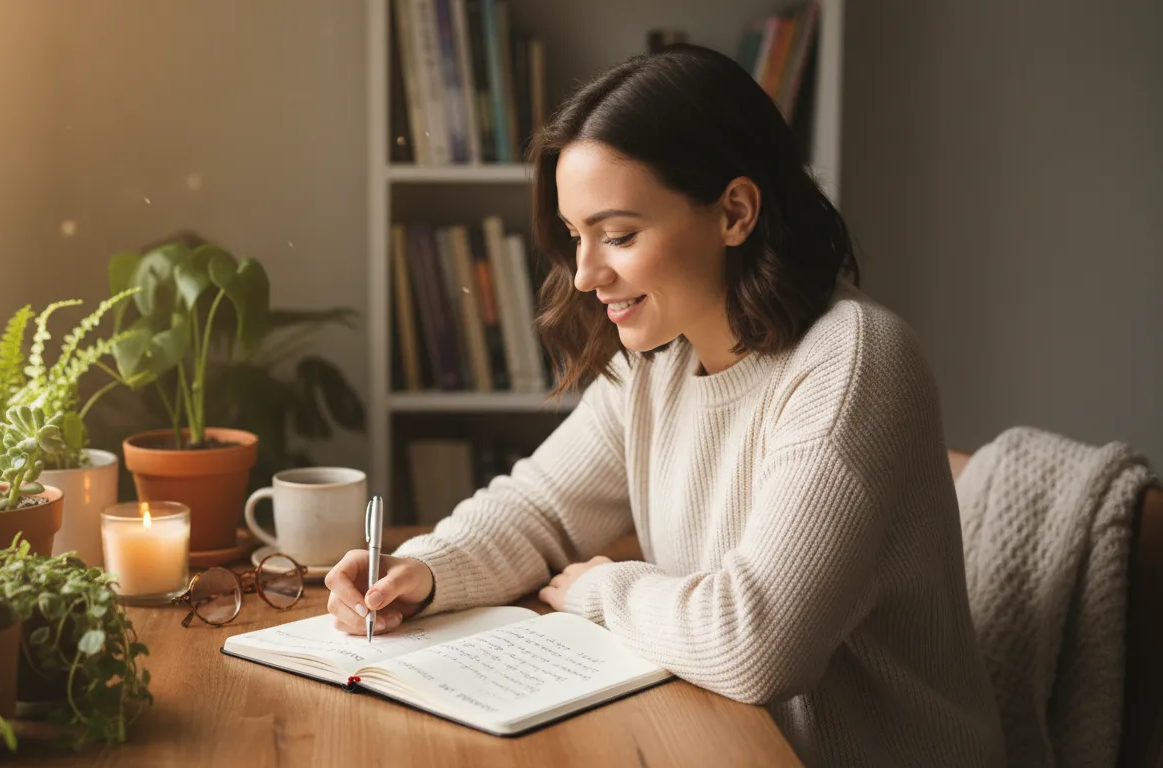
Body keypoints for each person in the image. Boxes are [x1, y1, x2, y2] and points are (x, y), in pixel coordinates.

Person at [324, 44, 1003, 766]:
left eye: (618, 235)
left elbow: (757, 644)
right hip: (720, 744)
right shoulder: (660, 360)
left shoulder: (855, 363)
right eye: (576, 237)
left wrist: (602, 589)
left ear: (735, 212)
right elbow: (544, 510)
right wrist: (421, 572)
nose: (586, 275)